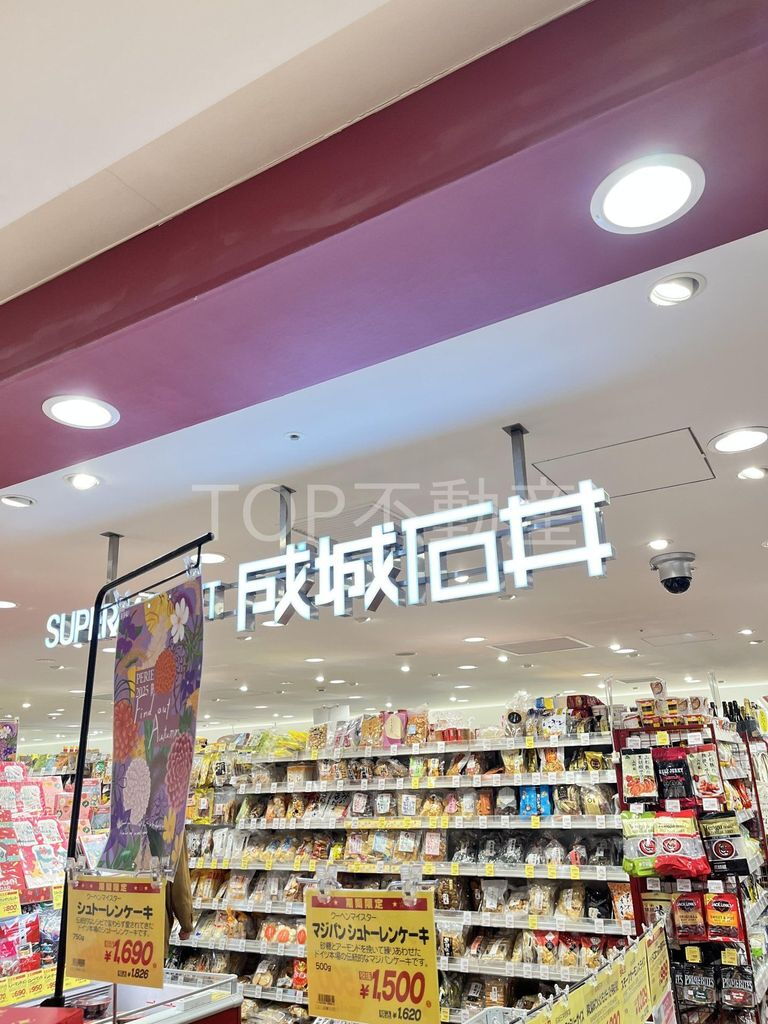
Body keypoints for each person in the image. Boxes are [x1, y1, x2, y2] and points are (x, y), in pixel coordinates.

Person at [165, 838, 193, 954]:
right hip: (153, 923)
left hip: (117, 920)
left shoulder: (119, 828)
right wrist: (186, 923)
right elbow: (180, 880)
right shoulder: (172, 829)